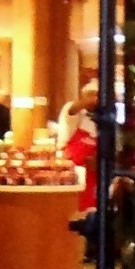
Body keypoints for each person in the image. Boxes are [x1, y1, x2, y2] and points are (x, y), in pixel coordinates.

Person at [58, 79, 100, 213]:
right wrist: (87, 101)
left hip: (94, 173)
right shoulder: (74, 110)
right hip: (72, 170)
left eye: (97, 95)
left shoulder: (102, 117)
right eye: (90, 95)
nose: (94, 99)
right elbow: (71, 111)